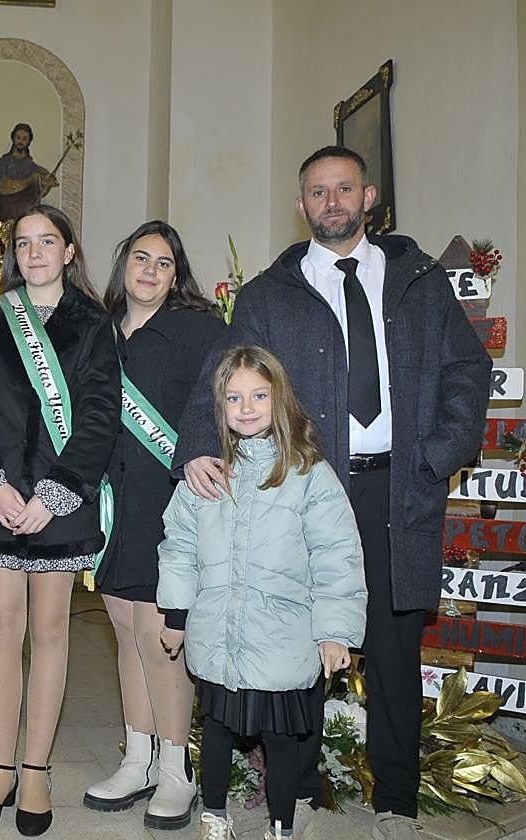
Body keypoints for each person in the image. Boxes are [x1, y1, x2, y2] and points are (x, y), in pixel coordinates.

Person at [175, 146, 491, 840]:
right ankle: (304, 792)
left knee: (391, 650)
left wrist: (439, 456)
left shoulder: (419, 280)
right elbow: (220, 376)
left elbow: (468, 369)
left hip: (396, 491)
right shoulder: (267, 295)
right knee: (300, 646)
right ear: (301, 205)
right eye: (317, 193)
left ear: (368, 196)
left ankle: (396, 804)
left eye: (343, 189)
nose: (331, 202)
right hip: (304, 490)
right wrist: (199, 445)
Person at [0, 204, 119, 836]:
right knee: (2, 629)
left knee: (50, 630)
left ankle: (37, 767)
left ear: (69, 252)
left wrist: (56, 492)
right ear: (13, 254)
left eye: (48, 241)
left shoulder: (94, 325)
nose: (36, 252)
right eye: (24, 244)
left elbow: (100, 414)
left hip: (59, 498)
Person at [158, 345, 367, 840]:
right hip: (218, 635)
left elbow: (338, 554)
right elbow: (178, 545)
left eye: (258, 396)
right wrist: (175, 614)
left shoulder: (308, 473)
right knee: (216, 728)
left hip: (282, 637)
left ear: (280, 401)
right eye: (234, 398)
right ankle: (214, 816)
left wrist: (335, 633)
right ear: (220, 407)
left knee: (280, 738)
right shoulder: (204, 477)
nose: (246, 408)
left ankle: (281, 824)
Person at [83, 221, 223, 829]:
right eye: (141, 258)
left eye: (164, 263)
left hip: (170, 502)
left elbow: (218, 405)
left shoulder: (199, 330)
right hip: (113, 501)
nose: (150, 270)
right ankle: (137, 756)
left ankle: (175, 770)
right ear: (123, 265)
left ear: (176, 274)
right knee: (123, 628)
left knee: (160, 636)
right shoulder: (96, 332)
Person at [0, 123, 58, 222]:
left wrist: (46, 182)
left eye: (24, 138)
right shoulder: (4, 161)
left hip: (26, 206)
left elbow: (39, 189)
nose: (21, 141)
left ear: (28, 142)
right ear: (13, 139)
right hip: (6, 204)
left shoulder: (31, 165)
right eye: (18, 137)